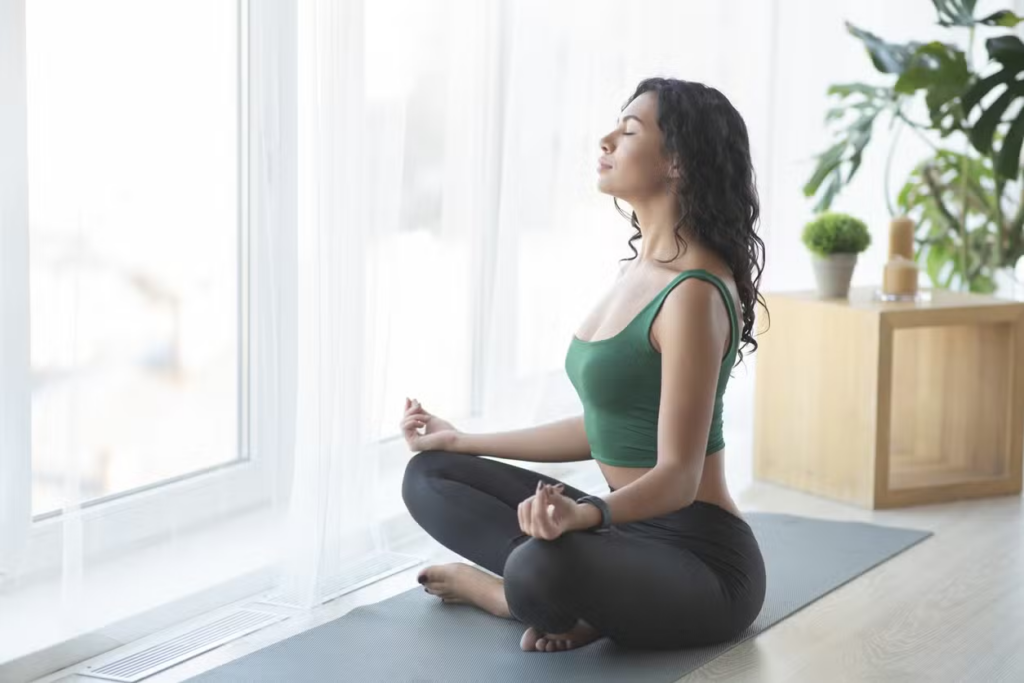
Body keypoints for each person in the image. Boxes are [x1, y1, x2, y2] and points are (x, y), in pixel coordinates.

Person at [400, 77, 768, 653]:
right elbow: (604, 428)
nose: (605, 141)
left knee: (536, 570)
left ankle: (508, 595)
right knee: (430, 476)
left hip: (702, 560)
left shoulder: (693, 293)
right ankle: (581, 600)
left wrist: (587, 514)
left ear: (678, 163)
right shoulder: (635, 272)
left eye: (627, 132)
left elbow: (679, 476)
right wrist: (463, 439)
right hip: (622, 534)